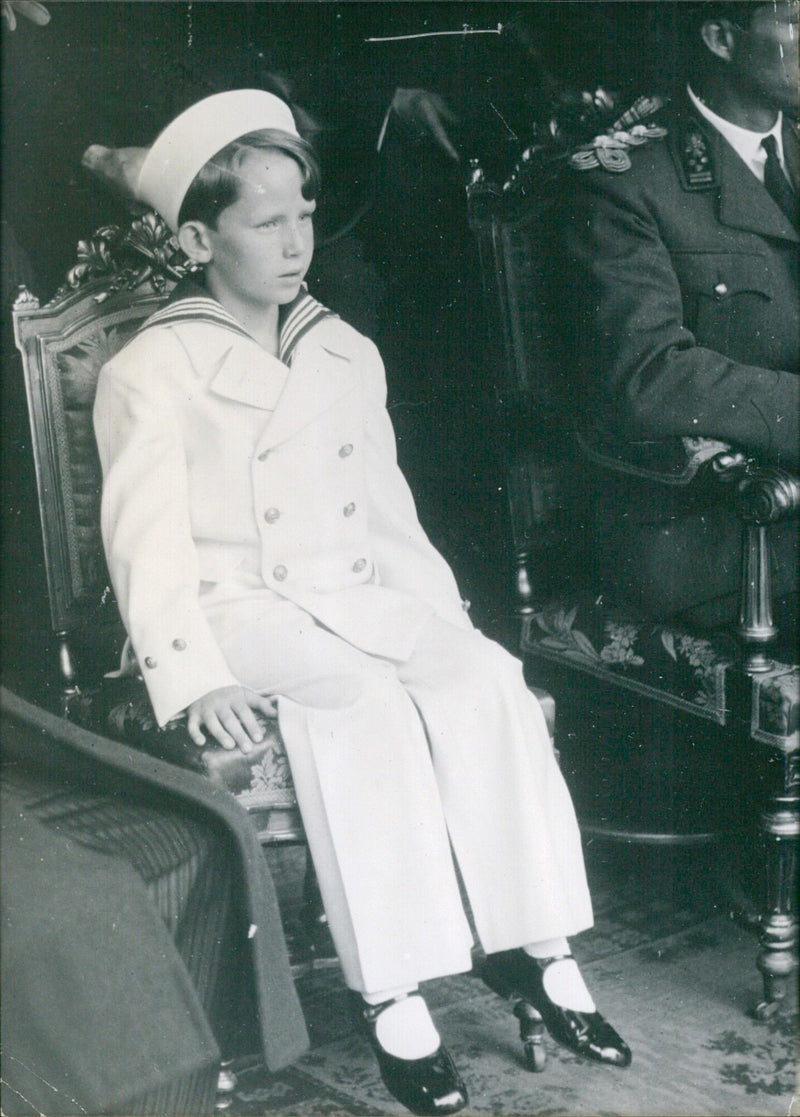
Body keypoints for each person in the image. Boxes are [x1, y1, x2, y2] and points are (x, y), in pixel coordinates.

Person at [92, 89, 630, 1116]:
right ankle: (393, 992)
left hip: (354, 592)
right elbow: (142, 541)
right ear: (201, 237)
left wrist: (444, 623)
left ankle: (535, 947)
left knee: (483, 679)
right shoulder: (150, 369)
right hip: (237, 609)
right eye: (265, 222)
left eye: (303, 214)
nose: (295, 242)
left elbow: (387, 518)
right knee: (361, 706)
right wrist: (191, 672)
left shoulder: (341, 348)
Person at [562, 1, 799, 629]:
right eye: (798, 23)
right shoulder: (626, 178)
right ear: (722, 37)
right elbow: (646, 375)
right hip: (721, 531)